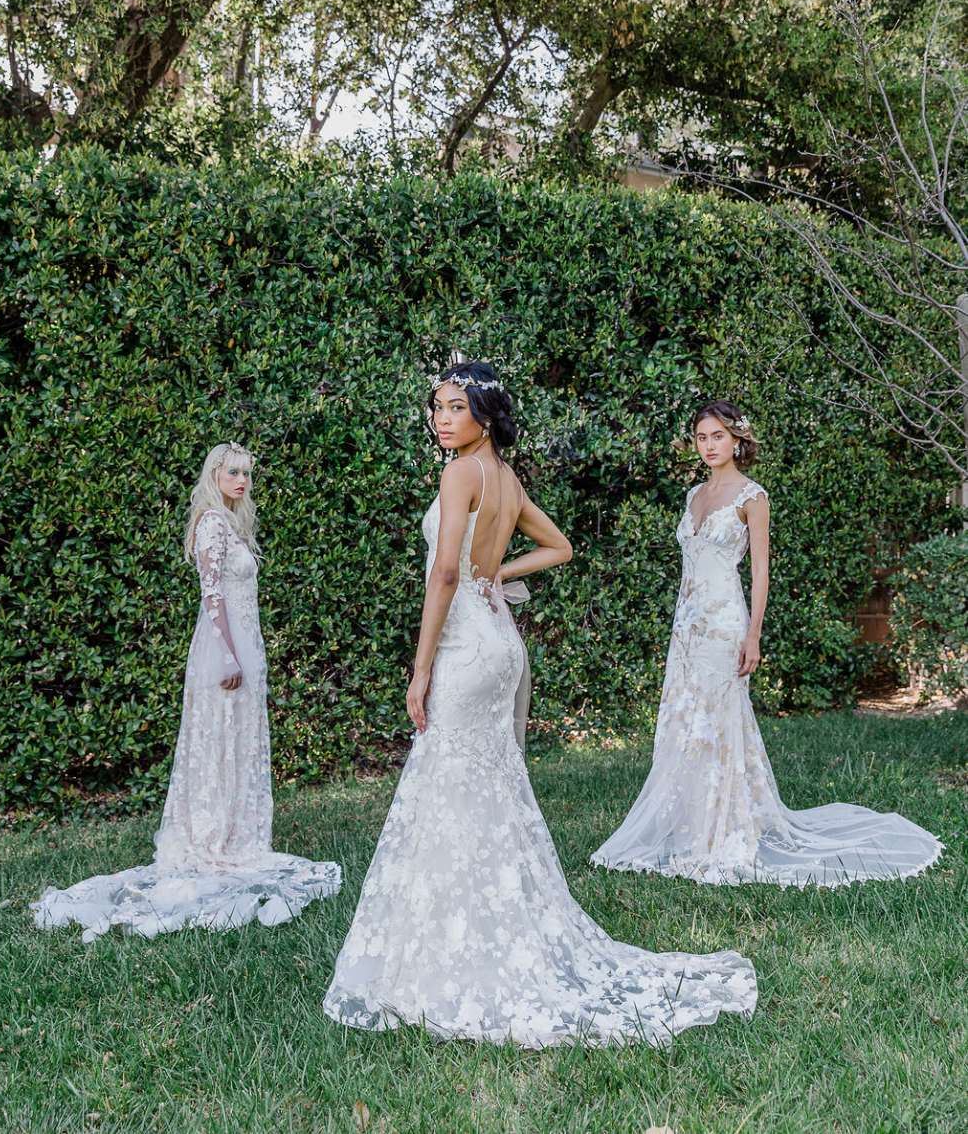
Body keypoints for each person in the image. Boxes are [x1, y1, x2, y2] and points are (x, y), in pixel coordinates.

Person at [323, 364, 756, 1046]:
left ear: (485, 416)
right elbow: (558, 548)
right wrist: (496, 574)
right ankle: (482, 918)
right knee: (488, 782)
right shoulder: (507, 478)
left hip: (468, 645)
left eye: (455, 407)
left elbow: (442, 574)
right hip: (502, 641)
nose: (441, 418)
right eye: (435, 407)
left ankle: (450, 944)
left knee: (450, 780)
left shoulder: (462, 474)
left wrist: (419, 664)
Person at [591, 401, 943, 888]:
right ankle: (694, 827)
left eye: (717, 436)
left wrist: (752, 633)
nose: (709, 445)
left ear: (737, 440)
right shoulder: (694, 495)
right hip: (687, 625)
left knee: (720, 719)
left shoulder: (752, 496)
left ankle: (726, 832)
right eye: (701, 437)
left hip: (724, 622)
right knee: (685, 719)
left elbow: (760, 570)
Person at [33, 442, 340, 940]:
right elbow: (211, 594)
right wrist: (227, 655)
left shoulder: (234, 523)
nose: (242, 480)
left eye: (247, 473)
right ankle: (210, 834)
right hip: (225, 648)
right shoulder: (212, 524)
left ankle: (238, 832)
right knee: (217, 738)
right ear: (215, 475)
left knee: (239, 739)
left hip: (246, 643)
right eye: (233, 472)